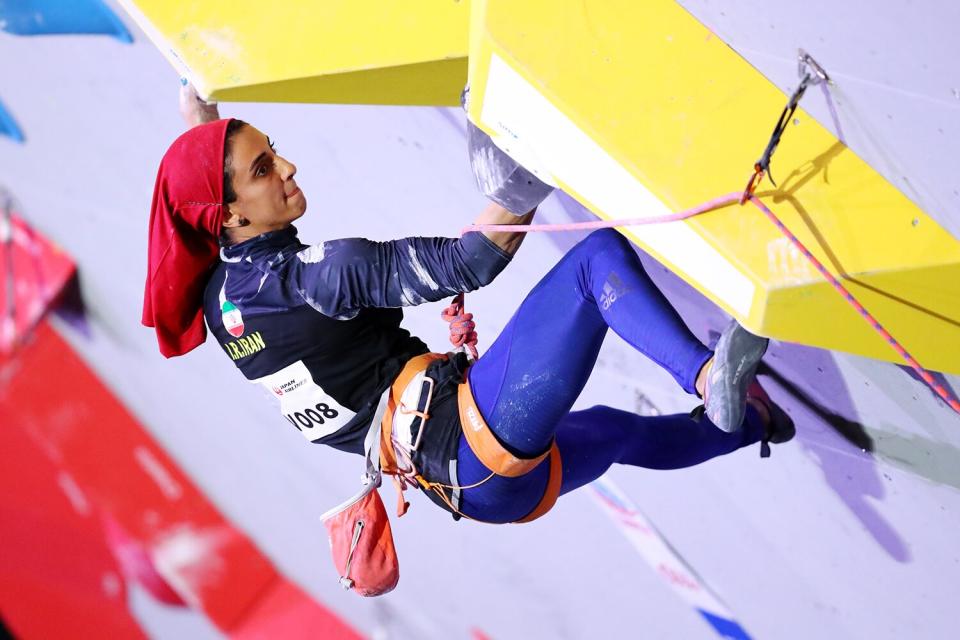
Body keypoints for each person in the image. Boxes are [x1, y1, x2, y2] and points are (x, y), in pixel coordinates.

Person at [142, 85, 793, 525]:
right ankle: (709, 377)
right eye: (262, 169)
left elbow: (207, 191)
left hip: (473, 494)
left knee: (620, 433)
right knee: (596, 263)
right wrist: (528, 153)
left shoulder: (219, 302)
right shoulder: (321, 278)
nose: (286, 167)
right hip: (478, 437)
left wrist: (206, 131)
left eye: (271, 149)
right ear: (227, 212)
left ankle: (750, 425)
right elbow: (470, 261)